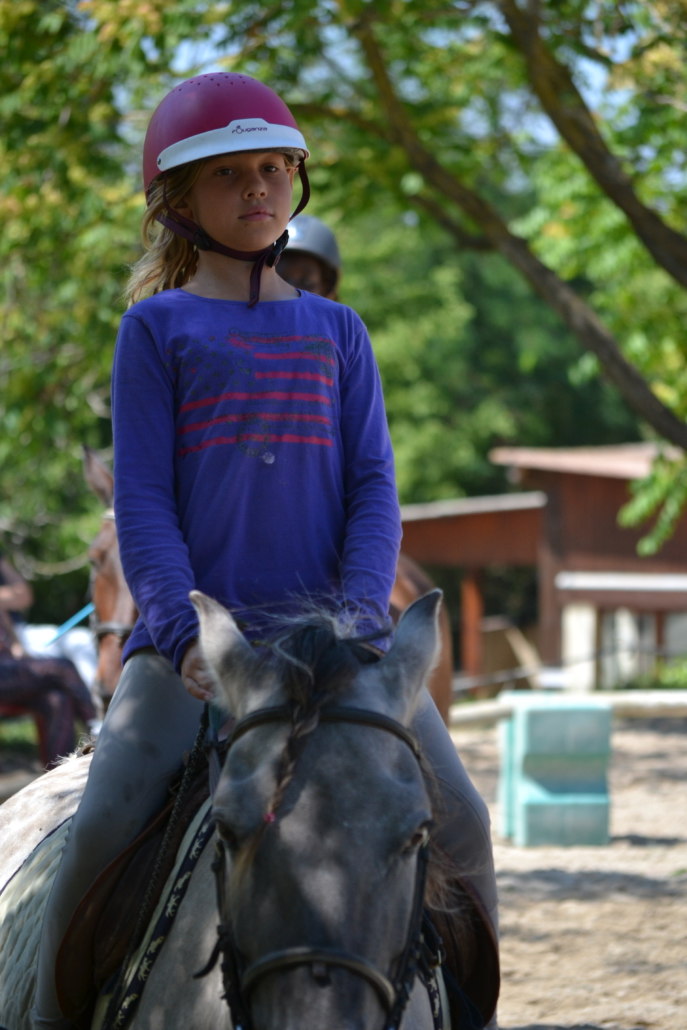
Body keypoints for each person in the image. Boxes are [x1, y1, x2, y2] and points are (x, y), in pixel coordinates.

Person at [33, 73, 498, 1028]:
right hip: (198, 652)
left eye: (275, 168)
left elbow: (372, 487)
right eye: (229, 173)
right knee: (102, 821)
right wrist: (182, 633)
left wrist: (360, 621)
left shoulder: (339, 332)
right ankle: (43, 1015)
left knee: (464, 819)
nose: (257, 187)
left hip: (345, 649)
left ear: (297, 181)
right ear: (177, 199)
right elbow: (143, 501)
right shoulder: (153, 330)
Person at [0, 554, 98, 771]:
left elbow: (6, 618)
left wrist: (17, 648)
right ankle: (98, 729)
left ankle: (59, 773)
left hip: (6, 664)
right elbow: (20, 596)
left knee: (57, 699)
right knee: (61, 669)